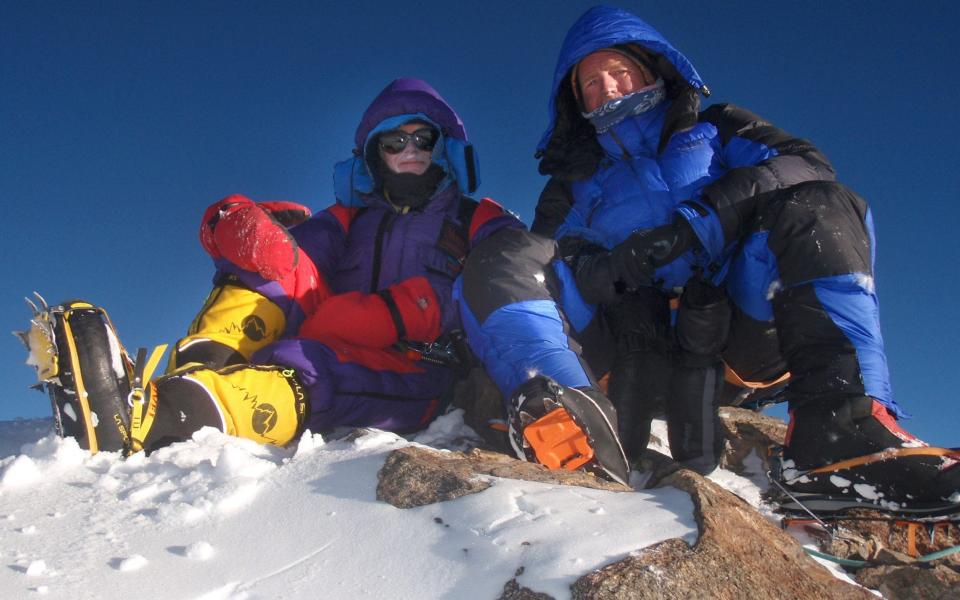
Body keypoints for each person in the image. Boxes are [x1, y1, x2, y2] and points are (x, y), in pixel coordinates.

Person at [511, 5, 957, 504]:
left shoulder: (716, 127)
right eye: (590, 83)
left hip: (735, 330)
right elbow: (552, 259)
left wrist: (693, 226)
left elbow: (806, 166)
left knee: (819, 207)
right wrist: (615, 272)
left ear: (652, 70)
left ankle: (838, 428)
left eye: (620, 72)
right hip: (630, 348)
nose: (608, 89)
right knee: (522, 264)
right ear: (575, 101)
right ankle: (576, 418)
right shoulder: (569, 184)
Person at [22, 78, 532, 458]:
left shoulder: (474, 216)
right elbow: (283, 266)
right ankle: (196, 376)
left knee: (308, 364)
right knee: (267, 267)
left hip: (421, 371)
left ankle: (164, 418)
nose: (410, 152)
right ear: (374, 153)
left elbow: (508, 281)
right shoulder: (347, 220)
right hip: (331, 339)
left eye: (423, 139)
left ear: (444, 146)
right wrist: (235, 232)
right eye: (394, 142)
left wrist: (396, 313)